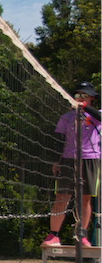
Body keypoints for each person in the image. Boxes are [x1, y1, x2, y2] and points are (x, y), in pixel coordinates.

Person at [42, 82, 101, 248]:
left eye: (84, 96)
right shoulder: (66, 117)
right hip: (69, 159)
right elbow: (59, 141)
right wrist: (56, 162)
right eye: (77, 95)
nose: (80, 99)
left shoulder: (97, 115)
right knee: (62, 196)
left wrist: (84, 108)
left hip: (90, 159)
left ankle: (81, 235)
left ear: (92, 98)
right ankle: (54, 235)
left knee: (85, 199)